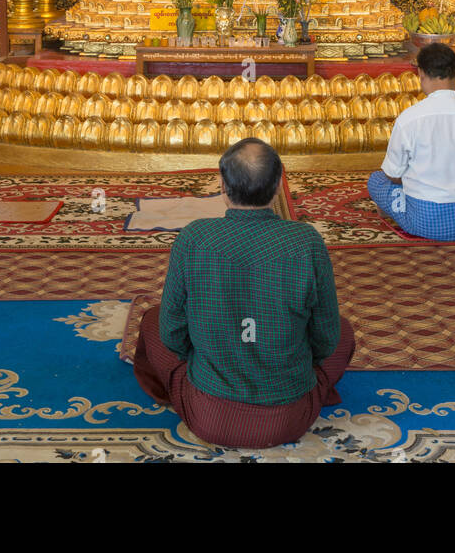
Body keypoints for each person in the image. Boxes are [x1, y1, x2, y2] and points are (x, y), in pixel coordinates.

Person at [133, 136, 355, 449]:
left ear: (222, 186)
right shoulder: (306, 242)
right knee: (343, 331)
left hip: (208, 414)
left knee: (153, 320)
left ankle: (173, 389)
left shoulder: (194, 237)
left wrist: (205, 357)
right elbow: (326, 338)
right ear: (279, 185)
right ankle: (311, 388)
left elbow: (172, 333)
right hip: (289, 416)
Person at [367, 41, 455, 241]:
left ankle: (399, 209)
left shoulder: (409, 118)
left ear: (420, 74)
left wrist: (418, 181)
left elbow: (393, 174)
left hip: (425, 221)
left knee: (376, 180)